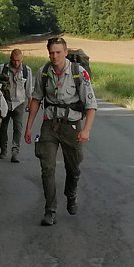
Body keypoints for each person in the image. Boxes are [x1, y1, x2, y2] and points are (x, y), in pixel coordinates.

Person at [24, 34, 97, 226]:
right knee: (47, 168)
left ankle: (70, 194)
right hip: (49, 124)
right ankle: (50, 210)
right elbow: (36, 100)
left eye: (58, 52)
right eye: (51, 53)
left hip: (72, 126)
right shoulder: (44, 72)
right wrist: (29, 126)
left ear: (65, 52)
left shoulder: (78, 73)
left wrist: (86, 130)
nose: (54, 56)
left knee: (73, 167)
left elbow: (91, 105)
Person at [0, 47, 33, 161]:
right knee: (3, 127)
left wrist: (30, 103)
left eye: (18, 60)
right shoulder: (3, 68)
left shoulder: (27, 71)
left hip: (19, 103)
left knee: (18, 128)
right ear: (10, 59)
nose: (16, 63)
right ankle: (3, 150)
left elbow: (29, 90)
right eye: (14, 60)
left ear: (22, 59)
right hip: (5, 102)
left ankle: (15, 152)